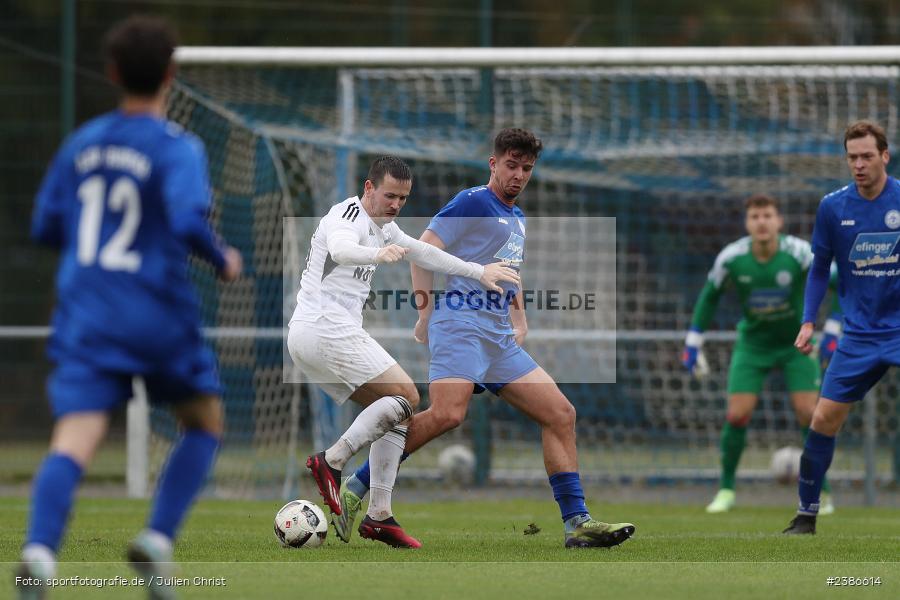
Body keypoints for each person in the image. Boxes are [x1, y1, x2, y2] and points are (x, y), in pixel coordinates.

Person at [17, 15, 243, 599]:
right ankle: (157, 540)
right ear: (171, 73)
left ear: (113, 72)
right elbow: (187, 217)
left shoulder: (83, 142)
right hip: (157, 312)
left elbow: (44, 225)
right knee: (203, 422)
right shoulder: (177, 147)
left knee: (75, 437)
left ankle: (40, 552)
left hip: (89, 311)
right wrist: (222, 259)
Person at [335, 128, 635, 549]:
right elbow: (422, 249)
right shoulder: (473, 201)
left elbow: (509, 271)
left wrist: (520, 318)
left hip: (498, 339)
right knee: (447, 415)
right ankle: (357, 485)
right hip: (460, 326)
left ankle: (577, 523)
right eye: (510, 165)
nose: (518, 175)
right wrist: (425, 312)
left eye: (526, 168)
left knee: (560, 414)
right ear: (493, 163)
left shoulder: (518, 217)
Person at [290, 156, 519, 548]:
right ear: (368, 188)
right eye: (389, 195)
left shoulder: (386, 227)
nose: (396, 204)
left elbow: (425, 253)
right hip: (324, 328)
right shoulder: (347, 214)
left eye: (403, 198)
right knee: (408, 396)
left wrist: (480, 272)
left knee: (393, 414)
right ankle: (331, 460)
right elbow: (344, 250)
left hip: (316, 336)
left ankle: (380, 515)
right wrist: (376, 255)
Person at [680, 194, 836, 515]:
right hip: (752, 344)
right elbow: (709, 297)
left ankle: (823, 492)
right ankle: (725, 490)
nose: (761, 222)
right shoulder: (732, 258)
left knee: (810, 414)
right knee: (737, 414)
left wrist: (834, 327)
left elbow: (839, 282)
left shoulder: (799, 252)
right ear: (747, 223)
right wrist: (693, 342)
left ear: (779, 221)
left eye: (767, 215)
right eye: (755, 216)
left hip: (798, 344)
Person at [784, 119, 899, 534]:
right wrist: (808, 320)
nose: (859, 164)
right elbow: (819, 269)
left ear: (885, 156)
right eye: (852, 157)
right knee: (823, 419)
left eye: (867, 155)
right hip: (860, 335)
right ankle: (806, 515)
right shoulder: (833, 207)